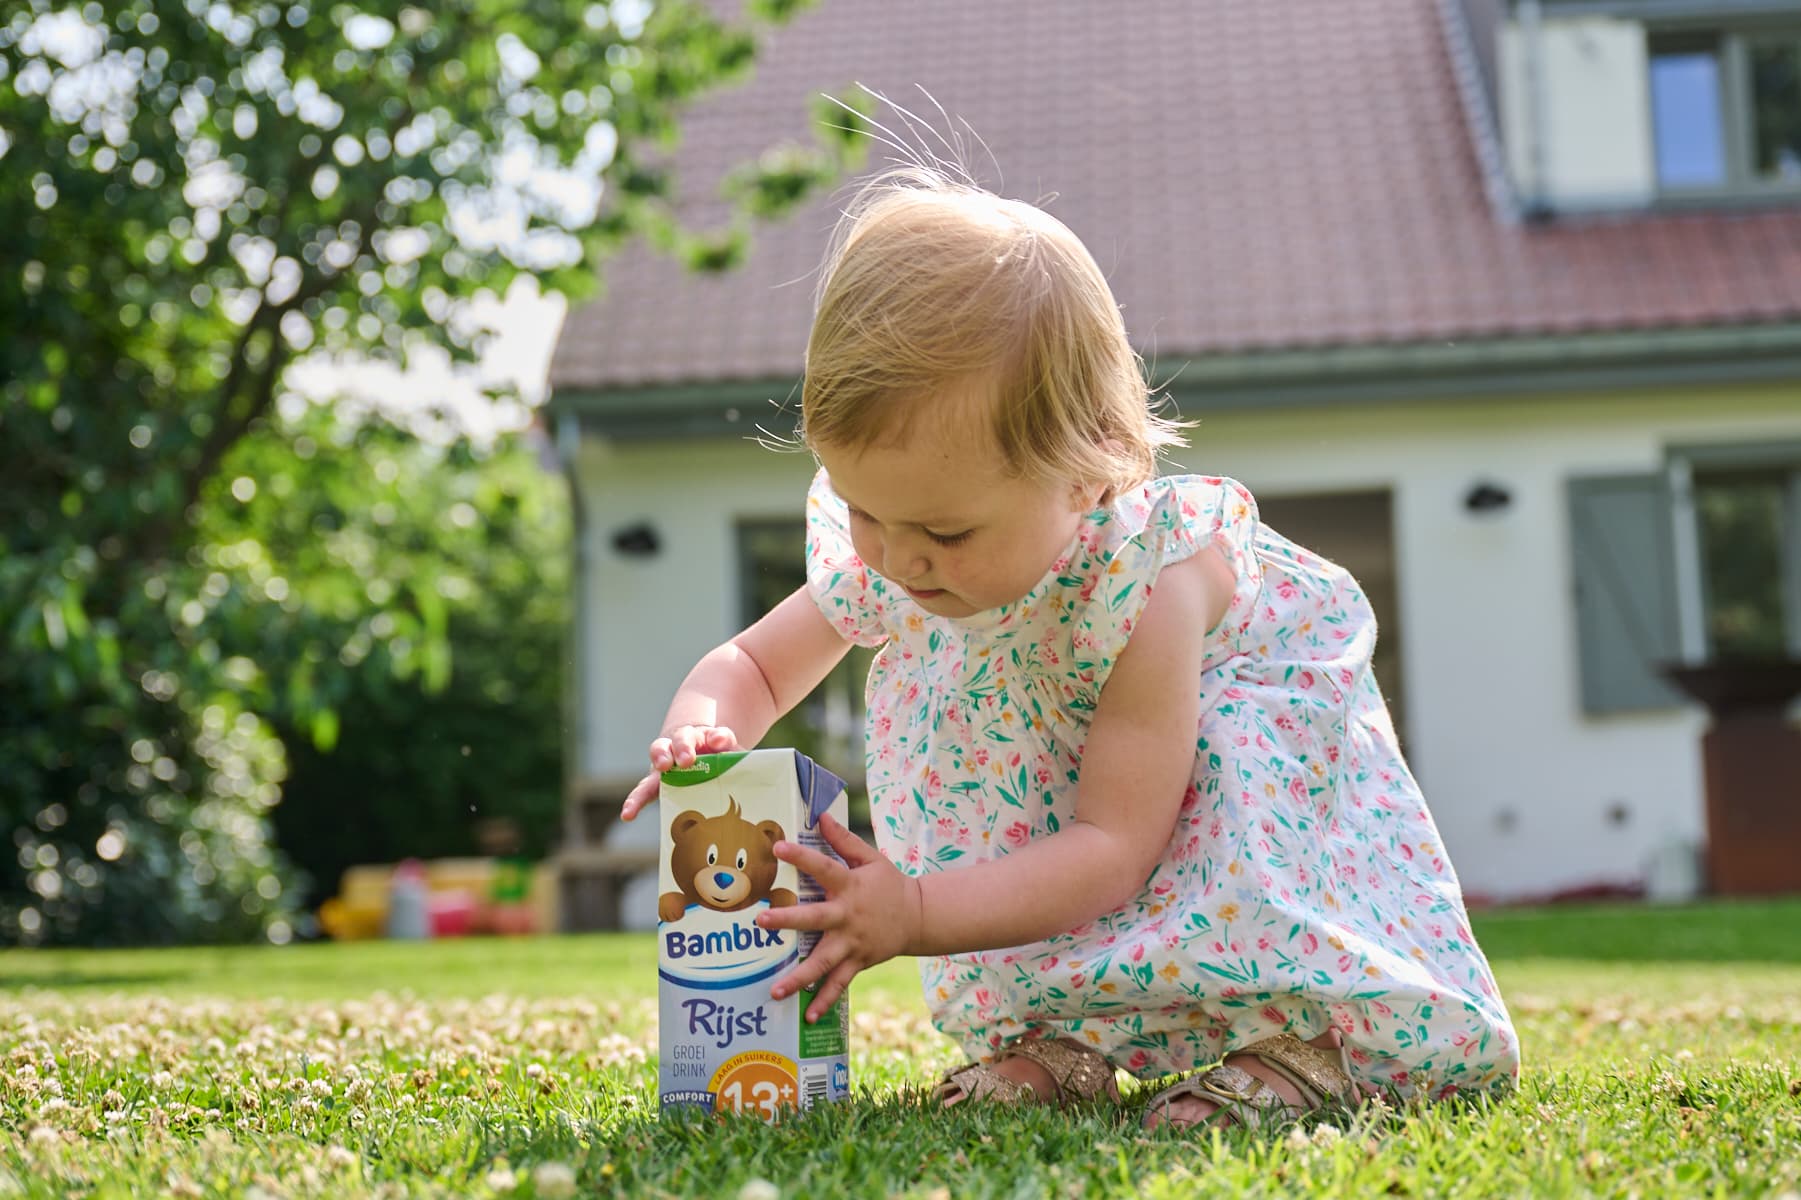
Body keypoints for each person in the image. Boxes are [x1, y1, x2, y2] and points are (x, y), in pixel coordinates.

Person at [621, 165, 1519, 1129]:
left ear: (1088, 472)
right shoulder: (892, 552)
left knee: (1228, 832)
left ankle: (1304, 1045)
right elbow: (752, 666)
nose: (898, 557)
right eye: (862, 509)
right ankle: (1066, 1039)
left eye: (948, 533)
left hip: (1219, 775)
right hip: (1063, 788)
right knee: (1013, 814)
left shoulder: (1155, 582)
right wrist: (698, 731)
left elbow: (1111, 850)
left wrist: (915, 913)